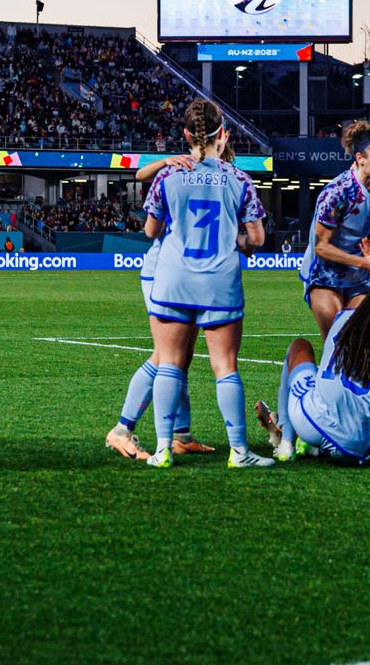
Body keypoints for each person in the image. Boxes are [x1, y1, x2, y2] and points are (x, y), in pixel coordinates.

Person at [140, 99, 273, 469]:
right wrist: (234, 240)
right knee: (225, 365)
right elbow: (257, 239)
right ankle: (239, 451)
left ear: (186, 135)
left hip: (174, 278)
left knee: (169, 363)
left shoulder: (169, 176)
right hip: (219, 280)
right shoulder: (239, 178)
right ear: (224, 135)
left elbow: (151, 230)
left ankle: (163, 449)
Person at [107, 146, 233, 461]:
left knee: (182, 356)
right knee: (166, 356)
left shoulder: (212, 179)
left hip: (184, 273)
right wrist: (166, 160)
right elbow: (139, 175)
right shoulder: (182, 170)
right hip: (163, 270)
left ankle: (181, 435)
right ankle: (122, 430)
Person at [254, 279, 370, 470]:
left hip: (309, 422)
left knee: (299, 346)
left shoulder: (344, 317)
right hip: (352, 447)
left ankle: (287, 440)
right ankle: (318, 445)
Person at [299, 121, 370, 339]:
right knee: (336, 341)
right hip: (325, 275)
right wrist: (365, 263)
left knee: (359, 340)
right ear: (360, 159)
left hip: (359, 276)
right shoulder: (338, 192)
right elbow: (320, 246)